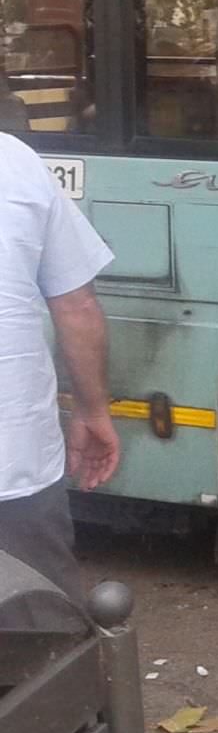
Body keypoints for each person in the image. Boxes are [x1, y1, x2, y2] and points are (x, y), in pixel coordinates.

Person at [0, 130, 117, 604]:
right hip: (16, 457)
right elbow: (77, 306)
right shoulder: (16, 162)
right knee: (41, 642)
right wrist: (93, 413)